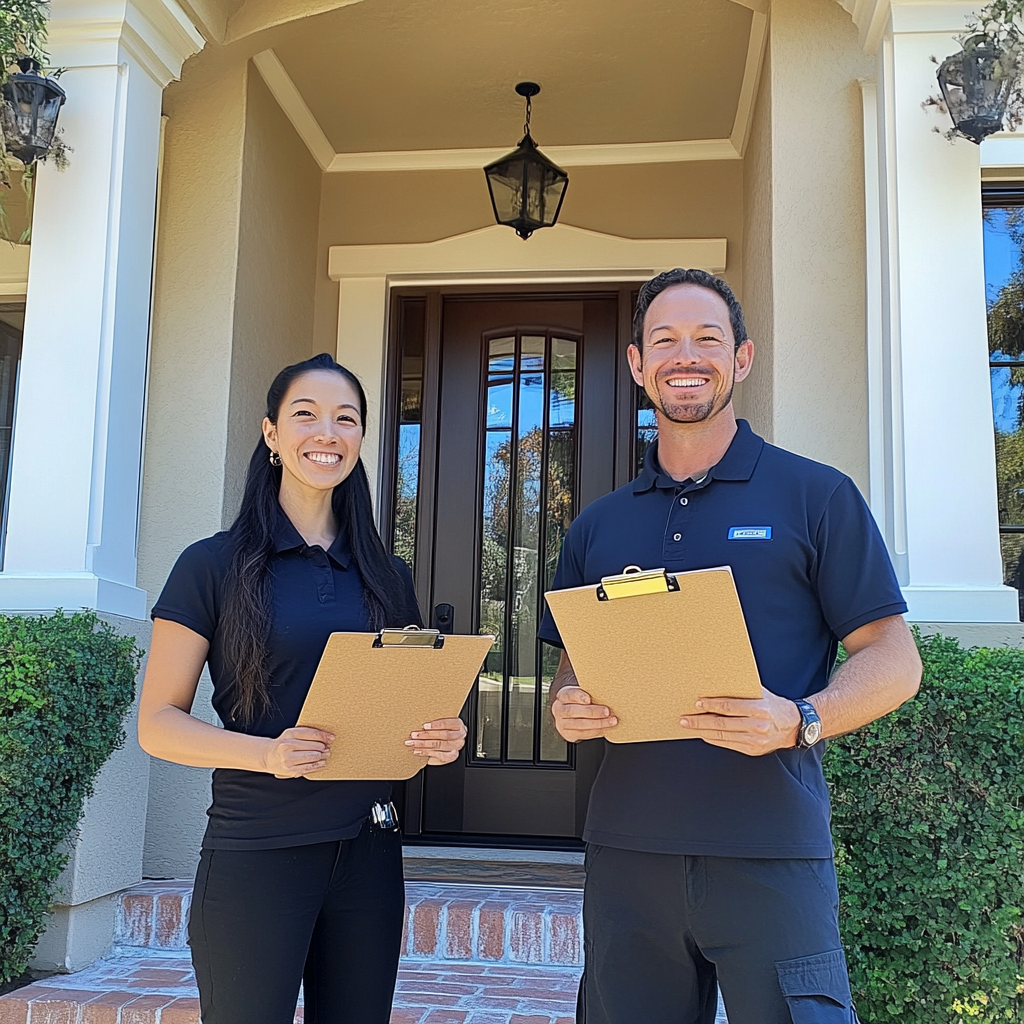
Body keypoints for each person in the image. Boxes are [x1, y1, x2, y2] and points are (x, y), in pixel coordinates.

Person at [538, 269, 922, 1024]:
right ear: (638, 364)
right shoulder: (598, 526)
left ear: (742, 359)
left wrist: (801, 719)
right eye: (666, 340)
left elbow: (893, 657)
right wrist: (567, 704)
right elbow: (572, 664)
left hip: (770, 850)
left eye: (708, 339)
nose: (688, 356)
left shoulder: (816, 496)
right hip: (628, 855)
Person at [137, 353, 466, 1024]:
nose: (327, 432)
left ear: (361, 441)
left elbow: (401, 706)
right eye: (306, 415)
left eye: (346, 419)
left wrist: (439, 735)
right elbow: (157, 723)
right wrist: (268, 754)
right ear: (271, 434)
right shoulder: (211, 565)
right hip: (258, 852)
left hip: (368, 855)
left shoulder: (385, 574)